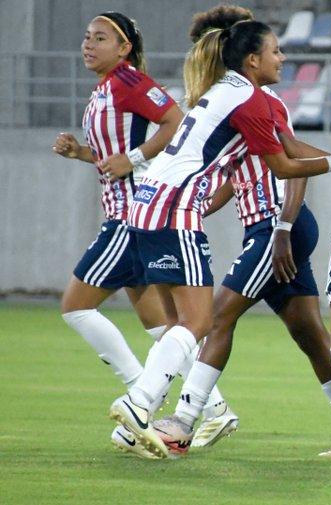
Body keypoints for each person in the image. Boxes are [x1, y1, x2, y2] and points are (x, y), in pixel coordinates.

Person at [108, 20, 331, 459]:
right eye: (276, 51)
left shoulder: (224, 95)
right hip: (195, 213)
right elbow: (283, 163)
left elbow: (281, 161)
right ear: (252, 59)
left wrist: (287, 224)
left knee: (212, 318)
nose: (282, 58)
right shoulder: (249, 101)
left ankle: (177, 419)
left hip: (226, 217)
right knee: (243, 325)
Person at [52, 11, 183, 459]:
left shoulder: (128, 81)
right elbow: (114, 159)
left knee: (74, 307)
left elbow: (175, 121)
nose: (89, 44)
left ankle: (141, 394)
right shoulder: (105, 88)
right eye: (87, 37)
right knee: (162, 325)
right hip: (129, 211)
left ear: (124, 48)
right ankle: (209, 408)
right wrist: (83, 154)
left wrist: (133, 156)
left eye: (101, 38)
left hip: (131, 216)